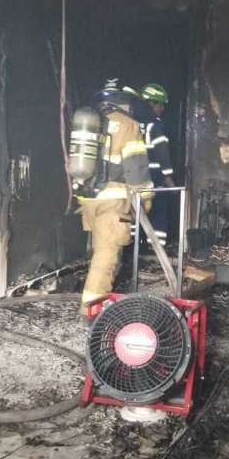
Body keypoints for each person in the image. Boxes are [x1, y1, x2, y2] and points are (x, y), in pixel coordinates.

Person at [76, 82, 153, 318]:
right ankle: (92, 314)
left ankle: (95, 298)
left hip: (89, 199)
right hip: (113, 200)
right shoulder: (128, 125)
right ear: (126, 103)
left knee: (98, 251)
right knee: (106, 257)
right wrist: (146, 201)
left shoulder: (93, 119)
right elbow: (137, 169)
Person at [140, 83, 175, 248]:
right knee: (159, 211)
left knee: (135, 213)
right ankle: (156, 249)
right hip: (155, 179)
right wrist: (168, 177)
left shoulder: (132, 123)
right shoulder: (154, 126)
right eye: (160, 104)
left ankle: (132, 249)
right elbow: (162, 152)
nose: (162, 108)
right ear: (151, 103)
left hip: (135, 179)